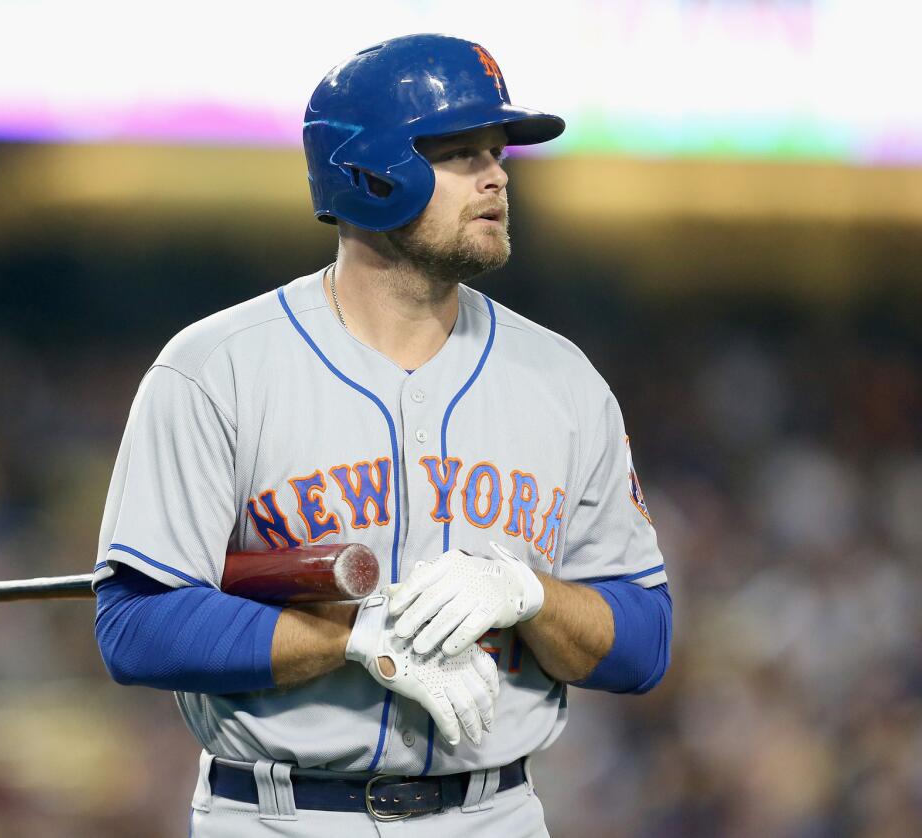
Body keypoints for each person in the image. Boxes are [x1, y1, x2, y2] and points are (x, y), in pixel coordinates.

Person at [93, 33, 672, 836]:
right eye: (461, 153)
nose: (498, 175)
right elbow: (135, 628)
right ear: (370, 171)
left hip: (495, 812)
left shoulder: (564, 380)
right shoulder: (214, 368)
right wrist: (357, 638)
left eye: (497, 152)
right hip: (278, 815)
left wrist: (527, 594)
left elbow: (645, 641)